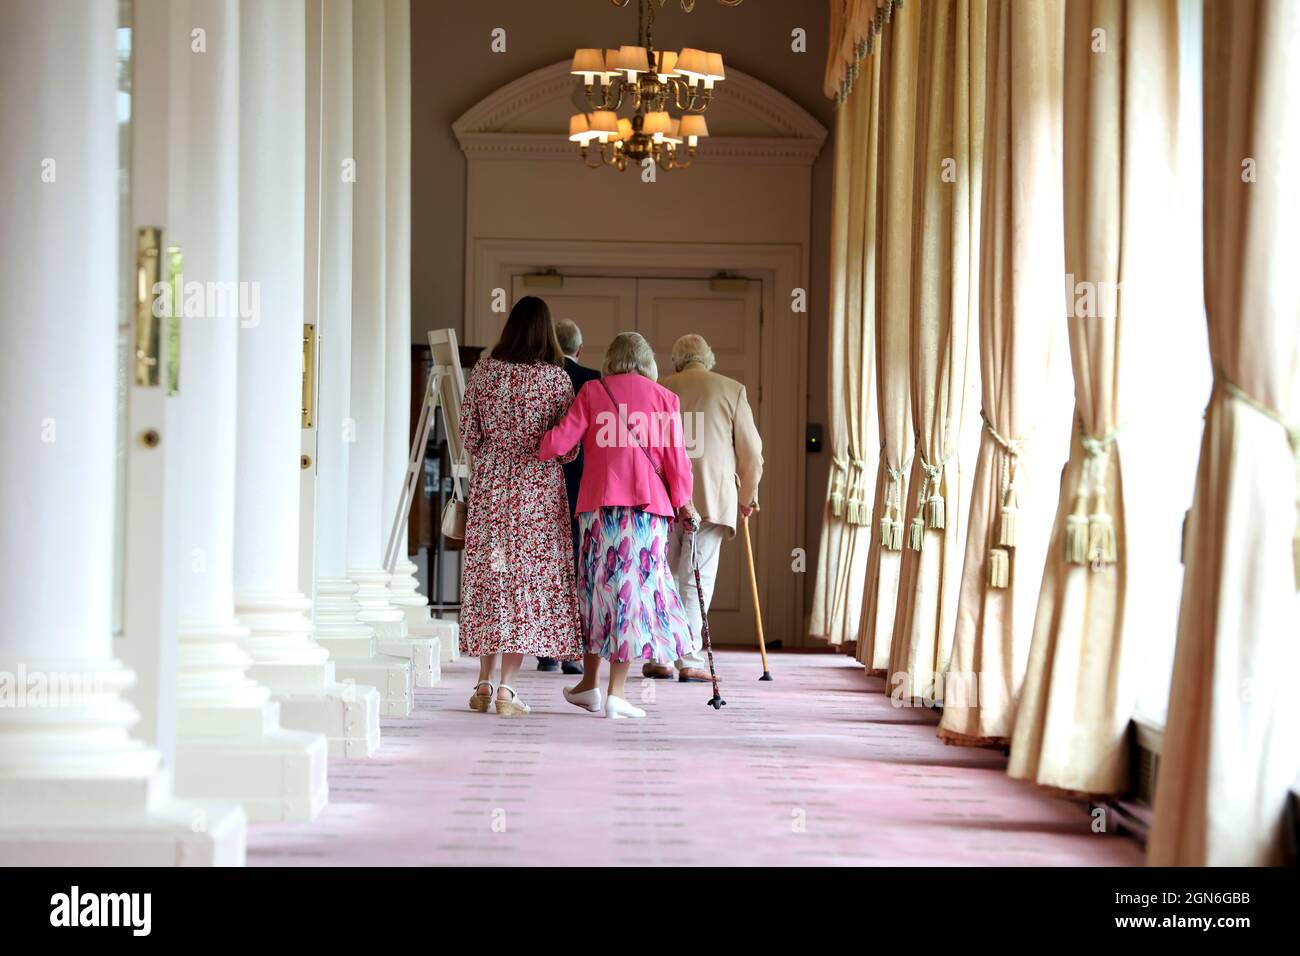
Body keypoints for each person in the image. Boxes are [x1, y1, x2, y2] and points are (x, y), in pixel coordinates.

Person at [538, 332, 696, 719]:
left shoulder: (594, 392)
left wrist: (533, 441)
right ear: (647, 362)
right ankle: (615, 692)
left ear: (611, 359)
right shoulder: (664, 399)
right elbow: (677, 462)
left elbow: (557, 444)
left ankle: (590, 684)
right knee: (630, 596)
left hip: (596, 511)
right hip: (645, 512)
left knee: (595, 593)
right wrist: (685, 503)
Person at [458, 296, 583, 715]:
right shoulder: (556, 380)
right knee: (525, 586)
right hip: (536, 498)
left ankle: (481, 683)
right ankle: (508, 689)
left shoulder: (484, 373)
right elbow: (567, 451)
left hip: (492, 493)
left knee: (493, 580)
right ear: (545, 332)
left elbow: (470, 438)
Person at [648, 334, 763, 682]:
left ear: (675, 361)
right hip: (711, 501)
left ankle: (660, 655)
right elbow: (752, 455)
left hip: (663, 498)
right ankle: (689, 658)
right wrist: (747, 498)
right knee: (696, 578)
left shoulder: (660, 387)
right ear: (708, 358)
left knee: (660, 575)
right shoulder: (732, 390)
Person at [536, 318, 600, 676]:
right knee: (577, 566)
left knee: (545, 565)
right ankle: (572, 650)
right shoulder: (592, 379)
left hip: (540, 482)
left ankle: (546, 650)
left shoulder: (535, 375)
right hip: (581, 483)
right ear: (579, 349)